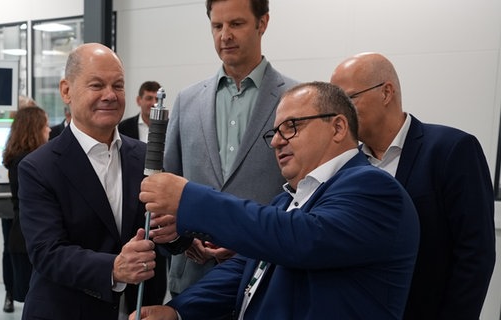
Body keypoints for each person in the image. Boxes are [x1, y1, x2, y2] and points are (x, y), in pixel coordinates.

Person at [135, 82, 420, 319]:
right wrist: (177, 312)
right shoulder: (285, 201)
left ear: (338, 127)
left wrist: (189, 198)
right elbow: (243, 273)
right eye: (275, 132)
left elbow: (301, 238)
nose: (276, 141)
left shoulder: (374, 188)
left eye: (292, 126)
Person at [330, 52, 496, 320]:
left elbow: (476, 254)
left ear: (386, 93)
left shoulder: (451, 149)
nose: (341, 113)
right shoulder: (346, 167)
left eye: (349, 99)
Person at [18, 43, 170, 319]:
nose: (110, 96)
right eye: (97, 85)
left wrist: (179, 235)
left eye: (119, 85)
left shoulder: (146, 157)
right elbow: (47, 252)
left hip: (138, 310)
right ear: (66, 91)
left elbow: (158, 229)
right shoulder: (38, 167)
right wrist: (114, 268)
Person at [164, 0, 298, 297]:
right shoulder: (187, 102)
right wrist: (184, 239)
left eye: (236, 24)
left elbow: (306, 193)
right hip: (192, 277)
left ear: (262, 23)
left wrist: (248, 237)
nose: (225, 35)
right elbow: (166, 184)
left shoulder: (296, 101)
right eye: (217, 26)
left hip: (264, 276)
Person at [2, 105, 50, 309]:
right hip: (31, 241)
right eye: (45, 125)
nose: (49, 129)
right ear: (34, 128)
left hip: (22, 239)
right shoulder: (31, 163)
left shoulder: (17, 160)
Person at [0, 94, 38, 313]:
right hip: (14, 209)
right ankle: (11, 292)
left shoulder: (22, 146)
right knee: (11, 249)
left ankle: (17, 291)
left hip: (17, 206)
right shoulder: (21, 152)